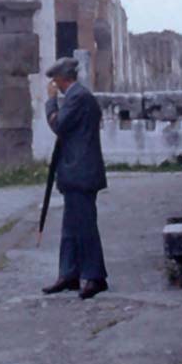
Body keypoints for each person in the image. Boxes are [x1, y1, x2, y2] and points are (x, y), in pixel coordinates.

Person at [41, 56, 108, 301]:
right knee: (70, 226)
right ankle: (69, 273)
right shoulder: (78, 96)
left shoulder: (77, 98)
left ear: (62, 79)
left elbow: (59, 125)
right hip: (75, 170)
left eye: (55, 81)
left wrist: (50, 103)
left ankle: (94, 276)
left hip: (81, 171)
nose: (54, 86)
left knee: (84, 226)